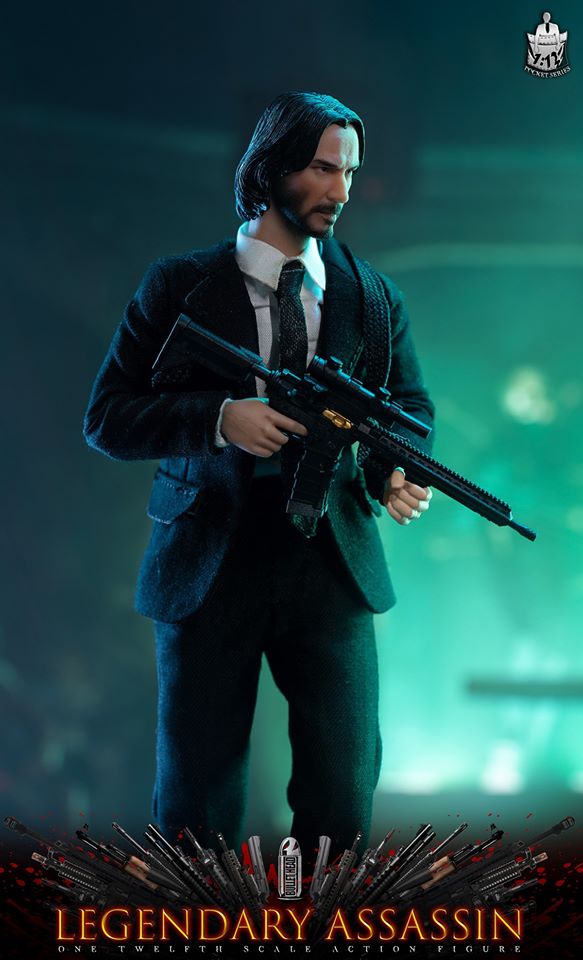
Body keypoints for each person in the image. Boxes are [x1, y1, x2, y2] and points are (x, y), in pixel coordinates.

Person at [83, 91, 435, 859]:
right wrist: (219, 418)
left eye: (349, 172)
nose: (340, 190)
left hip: (330, 557)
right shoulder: (178, 285)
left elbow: (406, 410)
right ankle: (199, 916)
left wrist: (392, 470)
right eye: (322, 169)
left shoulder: (371, 298)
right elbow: (108, 417)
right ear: (271, 168)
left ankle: (326, 913)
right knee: (197, 788)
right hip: (211, 551)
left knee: (343, 781)